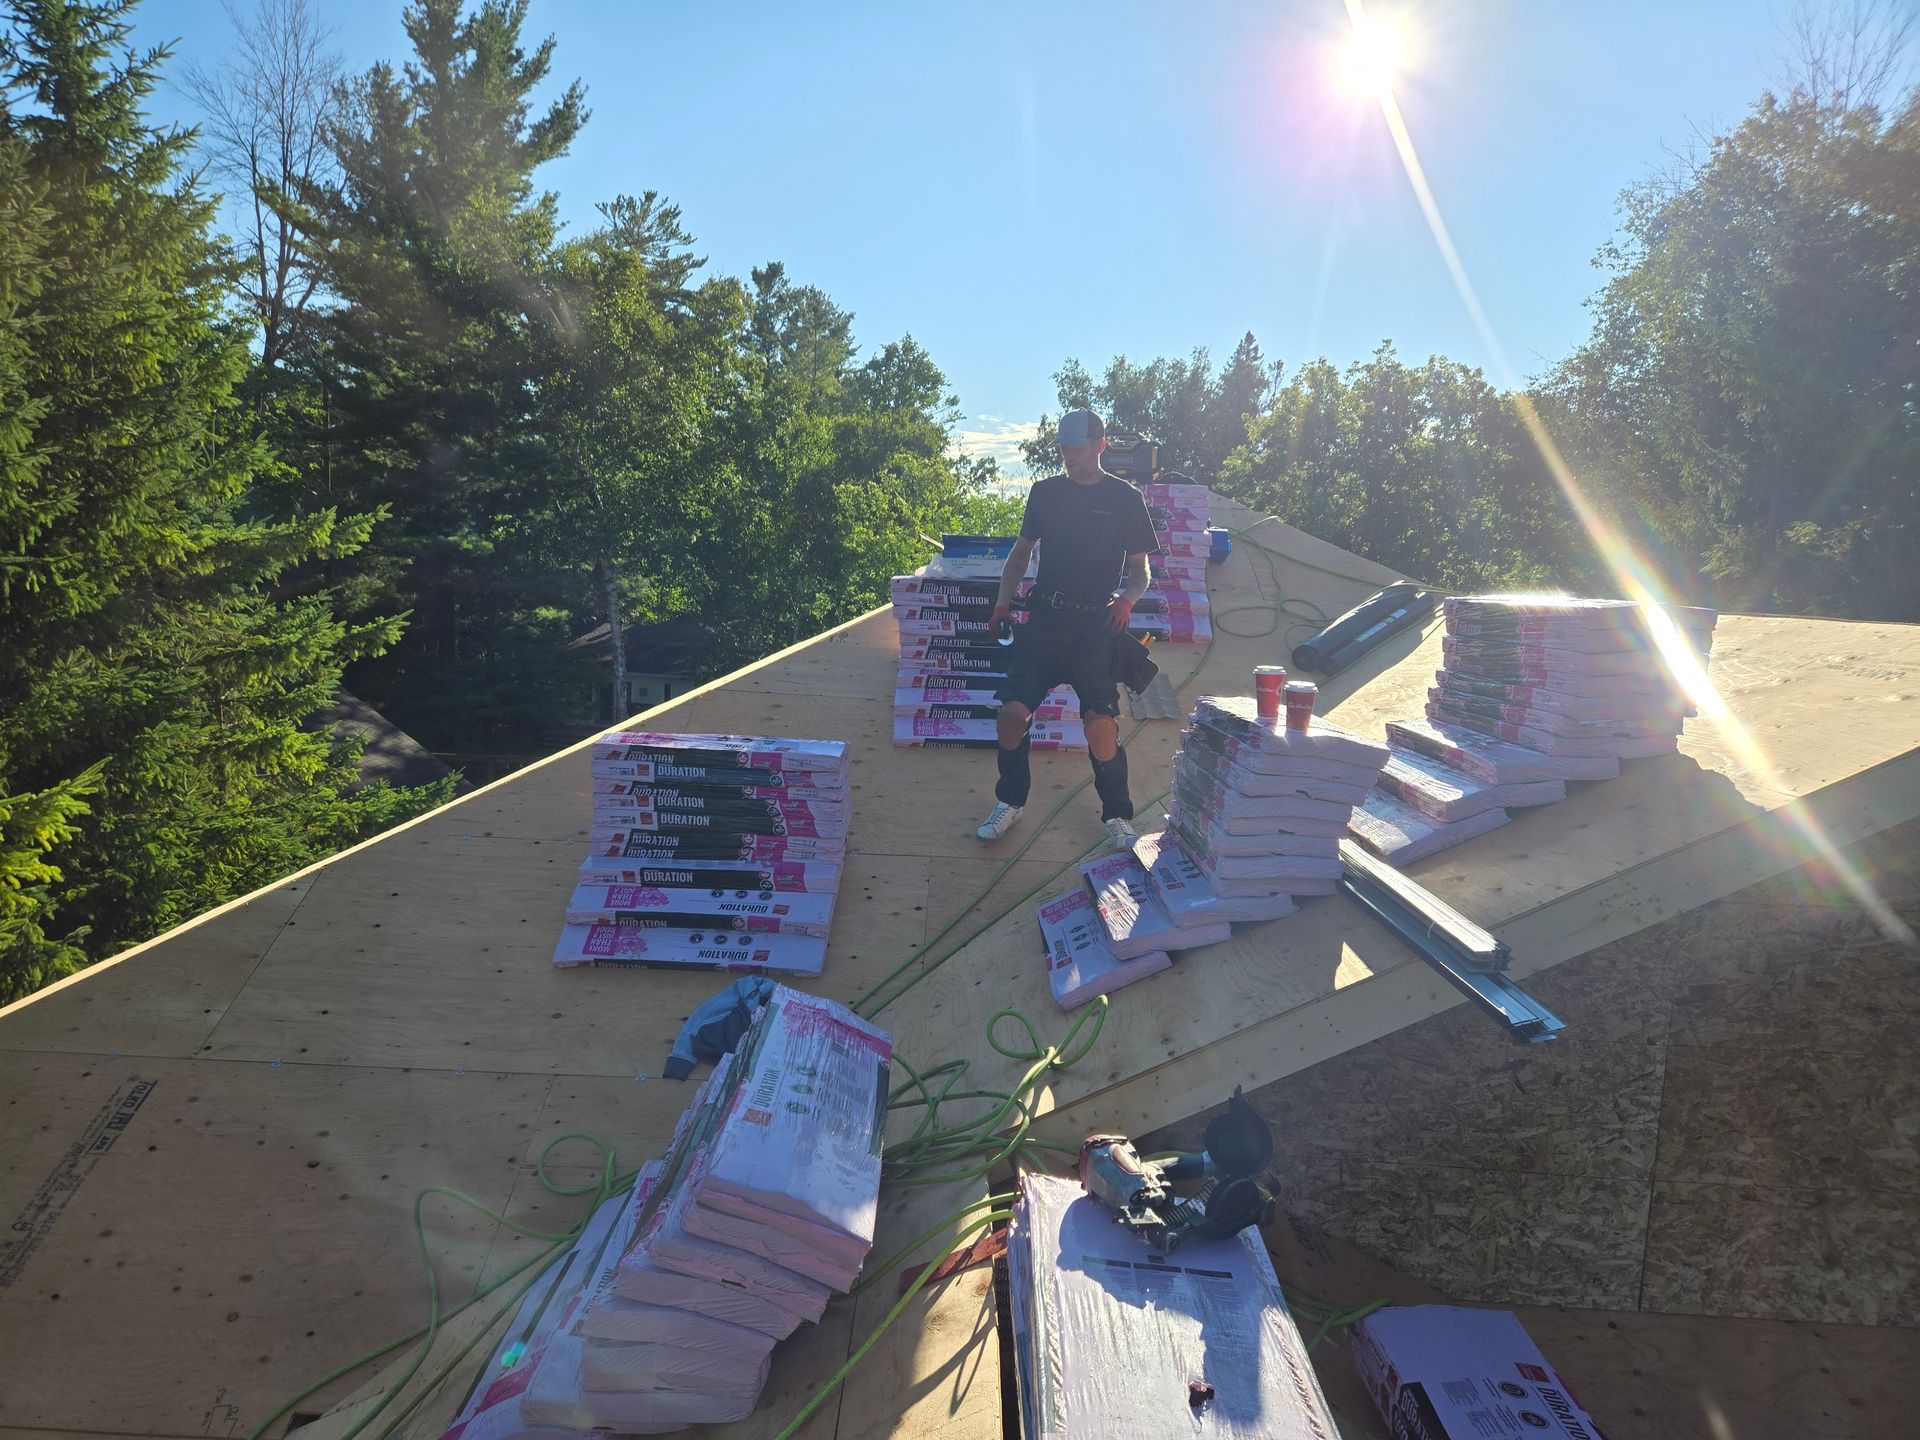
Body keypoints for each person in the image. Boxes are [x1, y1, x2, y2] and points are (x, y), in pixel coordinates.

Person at [976, 408, 1157, 850]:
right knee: (1011, 717)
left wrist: (1128, 599)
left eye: (1076, 449)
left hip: (1095, 626)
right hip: (1046, 622)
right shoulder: (1045, 493)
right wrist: (1002, 601)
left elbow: (1140, 569)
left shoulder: (1125, 499)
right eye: (1063, 449)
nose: (1069, 457)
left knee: (1101, 727)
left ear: (1099, 446)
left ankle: (1116, 814)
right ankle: (1011, 802)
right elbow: (1020, 555)